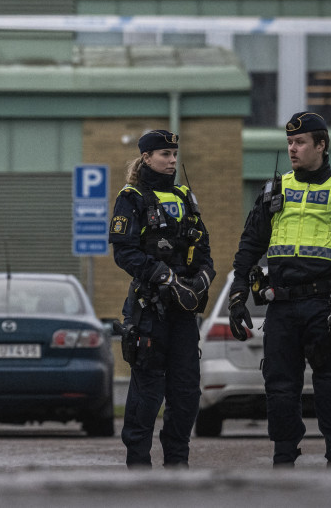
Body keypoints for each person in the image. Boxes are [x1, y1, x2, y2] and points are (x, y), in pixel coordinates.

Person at [229, 111, 331, 468]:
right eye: (289, 143)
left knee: (328, 381)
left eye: (300, 143)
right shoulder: (275, 189)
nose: (293, 149)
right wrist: (237, 288)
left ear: (321, 146)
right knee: (279, 385)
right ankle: (283, 460)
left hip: (324, 302)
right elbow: (251, 241)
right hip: (281, 304)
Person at [108, 129, 214, 468]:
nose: (171, 160)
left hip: (183, 315)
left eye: (174, 154)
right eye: (165, 154)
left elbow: (206, 252)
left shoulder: (184, 196)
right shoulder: (132, 197)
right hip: (148, 313)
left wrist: (200, 281)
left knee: (186, 395)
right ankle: (139, 467)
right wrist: (166, 279)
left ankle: (177, 466)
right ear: (146, 157)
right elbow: (125, 253)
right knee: (146, 395)